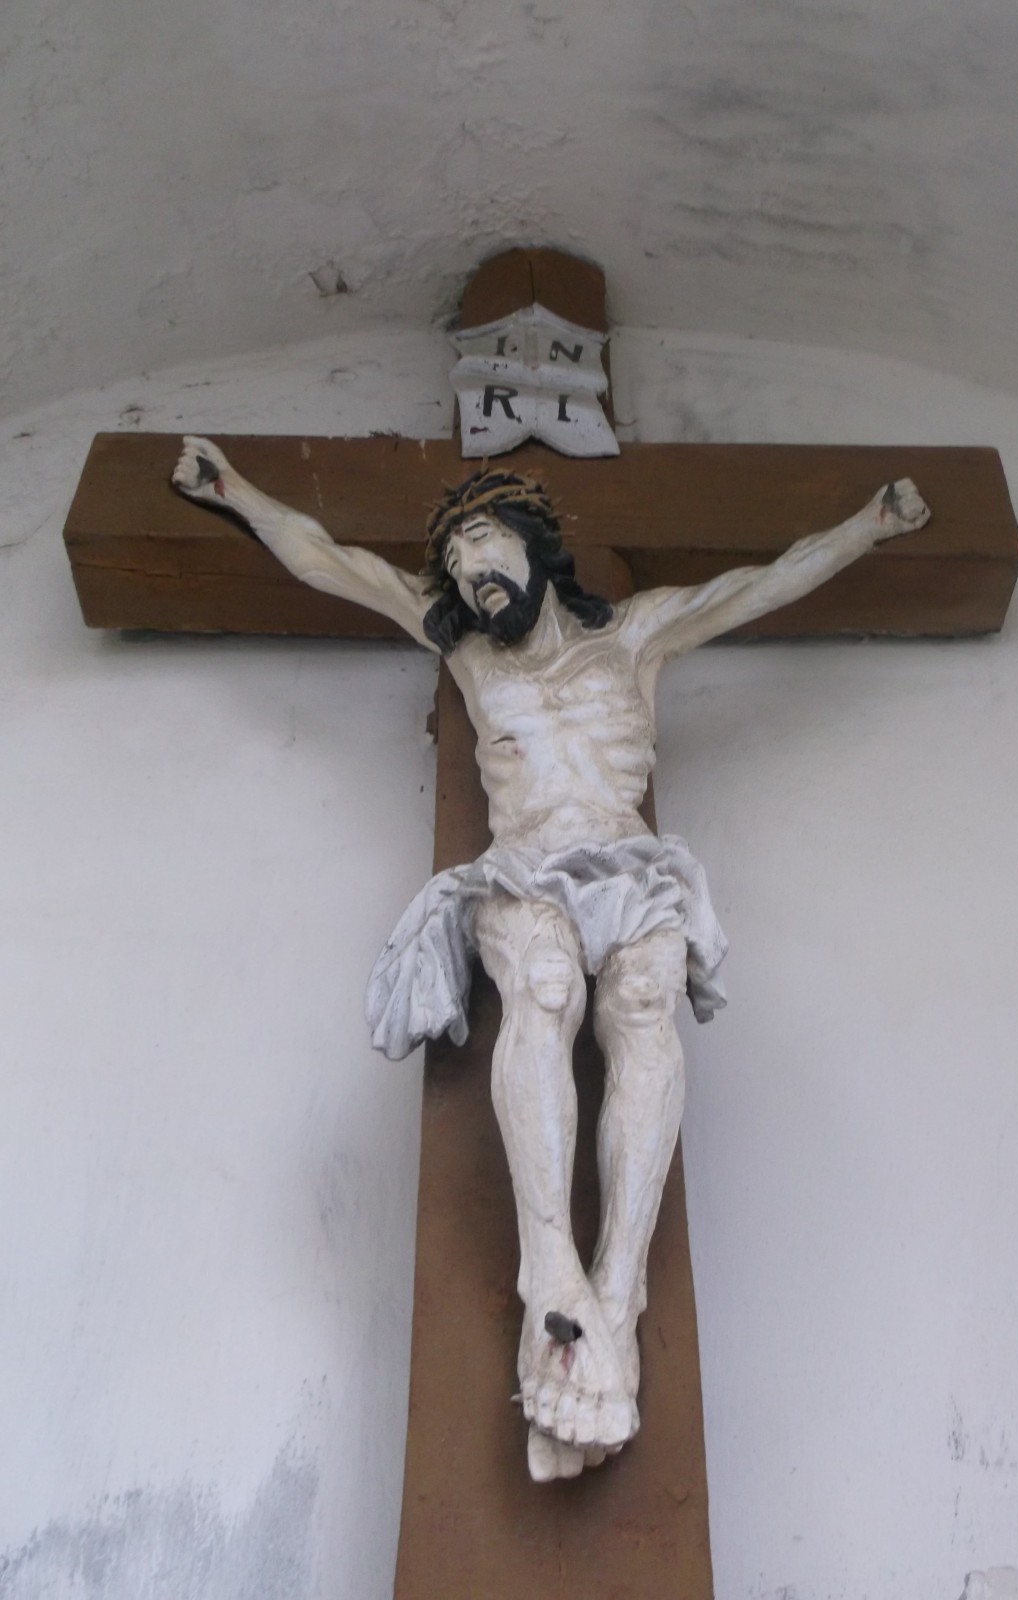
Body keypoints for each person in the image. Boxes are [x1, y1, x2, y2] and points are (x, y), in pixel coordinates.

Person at [172, 436, 929, 1481]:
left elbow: (758, 585)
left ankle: (616, 1289)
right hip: (526, 868)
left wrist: (869, 526)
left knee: (646, 998)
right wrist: (236, 492)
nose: (470, 573)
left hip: (629, 864)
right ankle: (549, 1269)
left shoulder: (639, 636)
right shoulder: (469, 655)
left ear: (533, 541)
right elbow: (332, 560)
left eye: (483, 542)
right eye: (455, 564)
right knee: (544, 984)